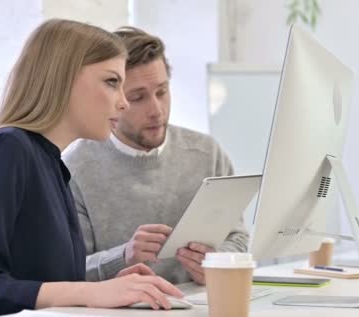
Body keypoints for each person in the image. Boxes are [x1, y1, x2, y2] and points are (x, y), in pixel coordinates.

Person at [0, 19, 183, 317]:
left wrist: (107, 287)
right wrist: (89, 293)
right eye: (112, 82)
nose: (124, 103)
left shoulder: (51, 164)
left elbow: (41, 284)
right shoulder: (7, 151)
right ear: (63, 78)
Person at [63, 27, 248, 286]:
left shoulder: (207, 154)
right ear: (115, 98)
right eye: (138, 97)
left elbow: (238, 238)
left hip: (200, 310)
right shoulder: (74, 168)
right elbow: (67, 270)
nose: (156, 110)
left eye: (162, 91)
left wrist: (219, 263)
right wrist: (123, 256)